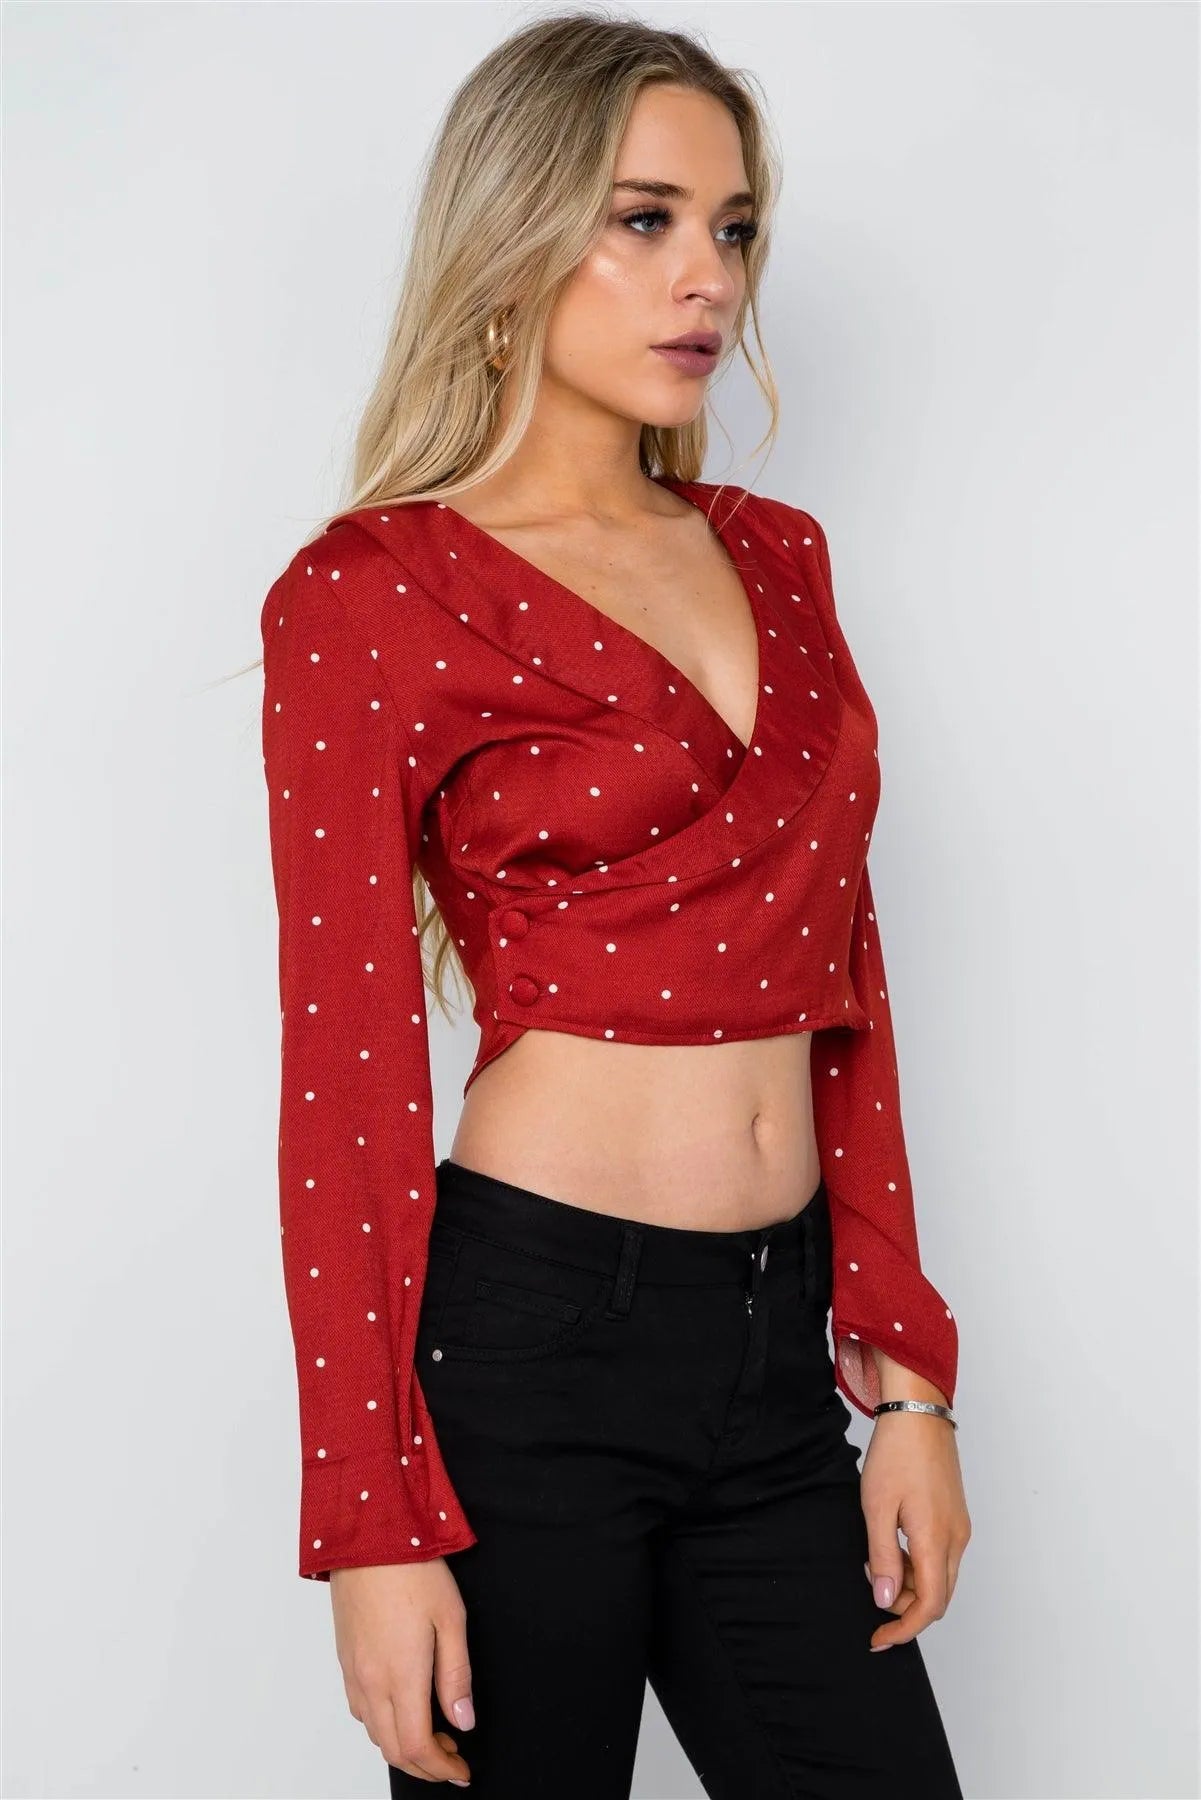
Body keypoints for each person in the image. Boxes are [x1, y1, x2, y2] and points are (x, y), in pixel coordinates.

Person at [258, 12, 971, 1797]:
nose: (703, 277)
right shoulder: (372, 590)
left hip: (775, 1354)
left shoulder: (778, 556)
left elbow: (846, 974)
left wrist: (904, 1381)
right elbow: (344, 1066)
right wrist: (371, 1519)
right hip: (531, 1350)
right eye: (641, 220)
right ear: (512, 234)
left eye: (730, 228)